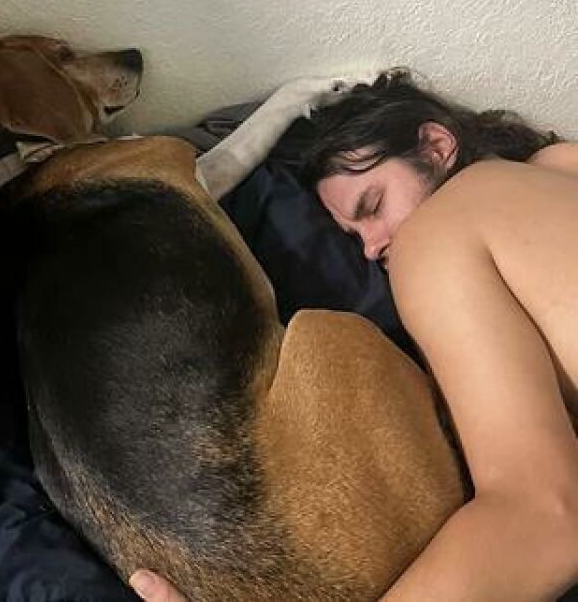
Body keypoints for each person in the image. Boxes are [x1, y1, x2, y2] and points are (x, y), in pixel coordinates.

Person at [130, 69, 578, 601]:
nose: (371, 247)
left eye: (372, 206)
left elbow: (546, 516)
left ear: (437, 146)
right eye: (354, 234)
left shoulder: (434, 233)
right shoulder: (557, 164)